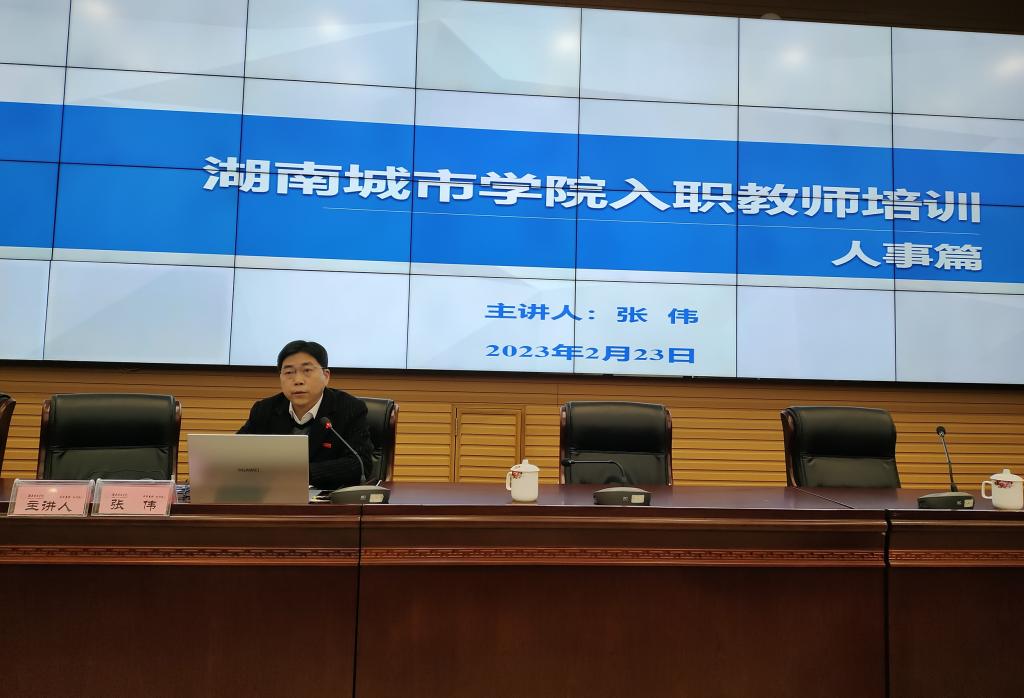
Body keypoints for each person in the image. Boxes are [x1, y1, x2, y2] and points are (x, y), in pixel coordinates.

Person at [238, 340, 373, 490]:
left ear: (326, 376)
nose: (298, 381)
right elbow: (237, 453)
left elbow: (360, 464)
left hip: (327, 498)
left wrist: (299, 473)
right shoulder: (264, 409)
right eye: (289, 372)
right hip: (272, 493)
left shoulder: (349, 408)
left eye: (307, 371)